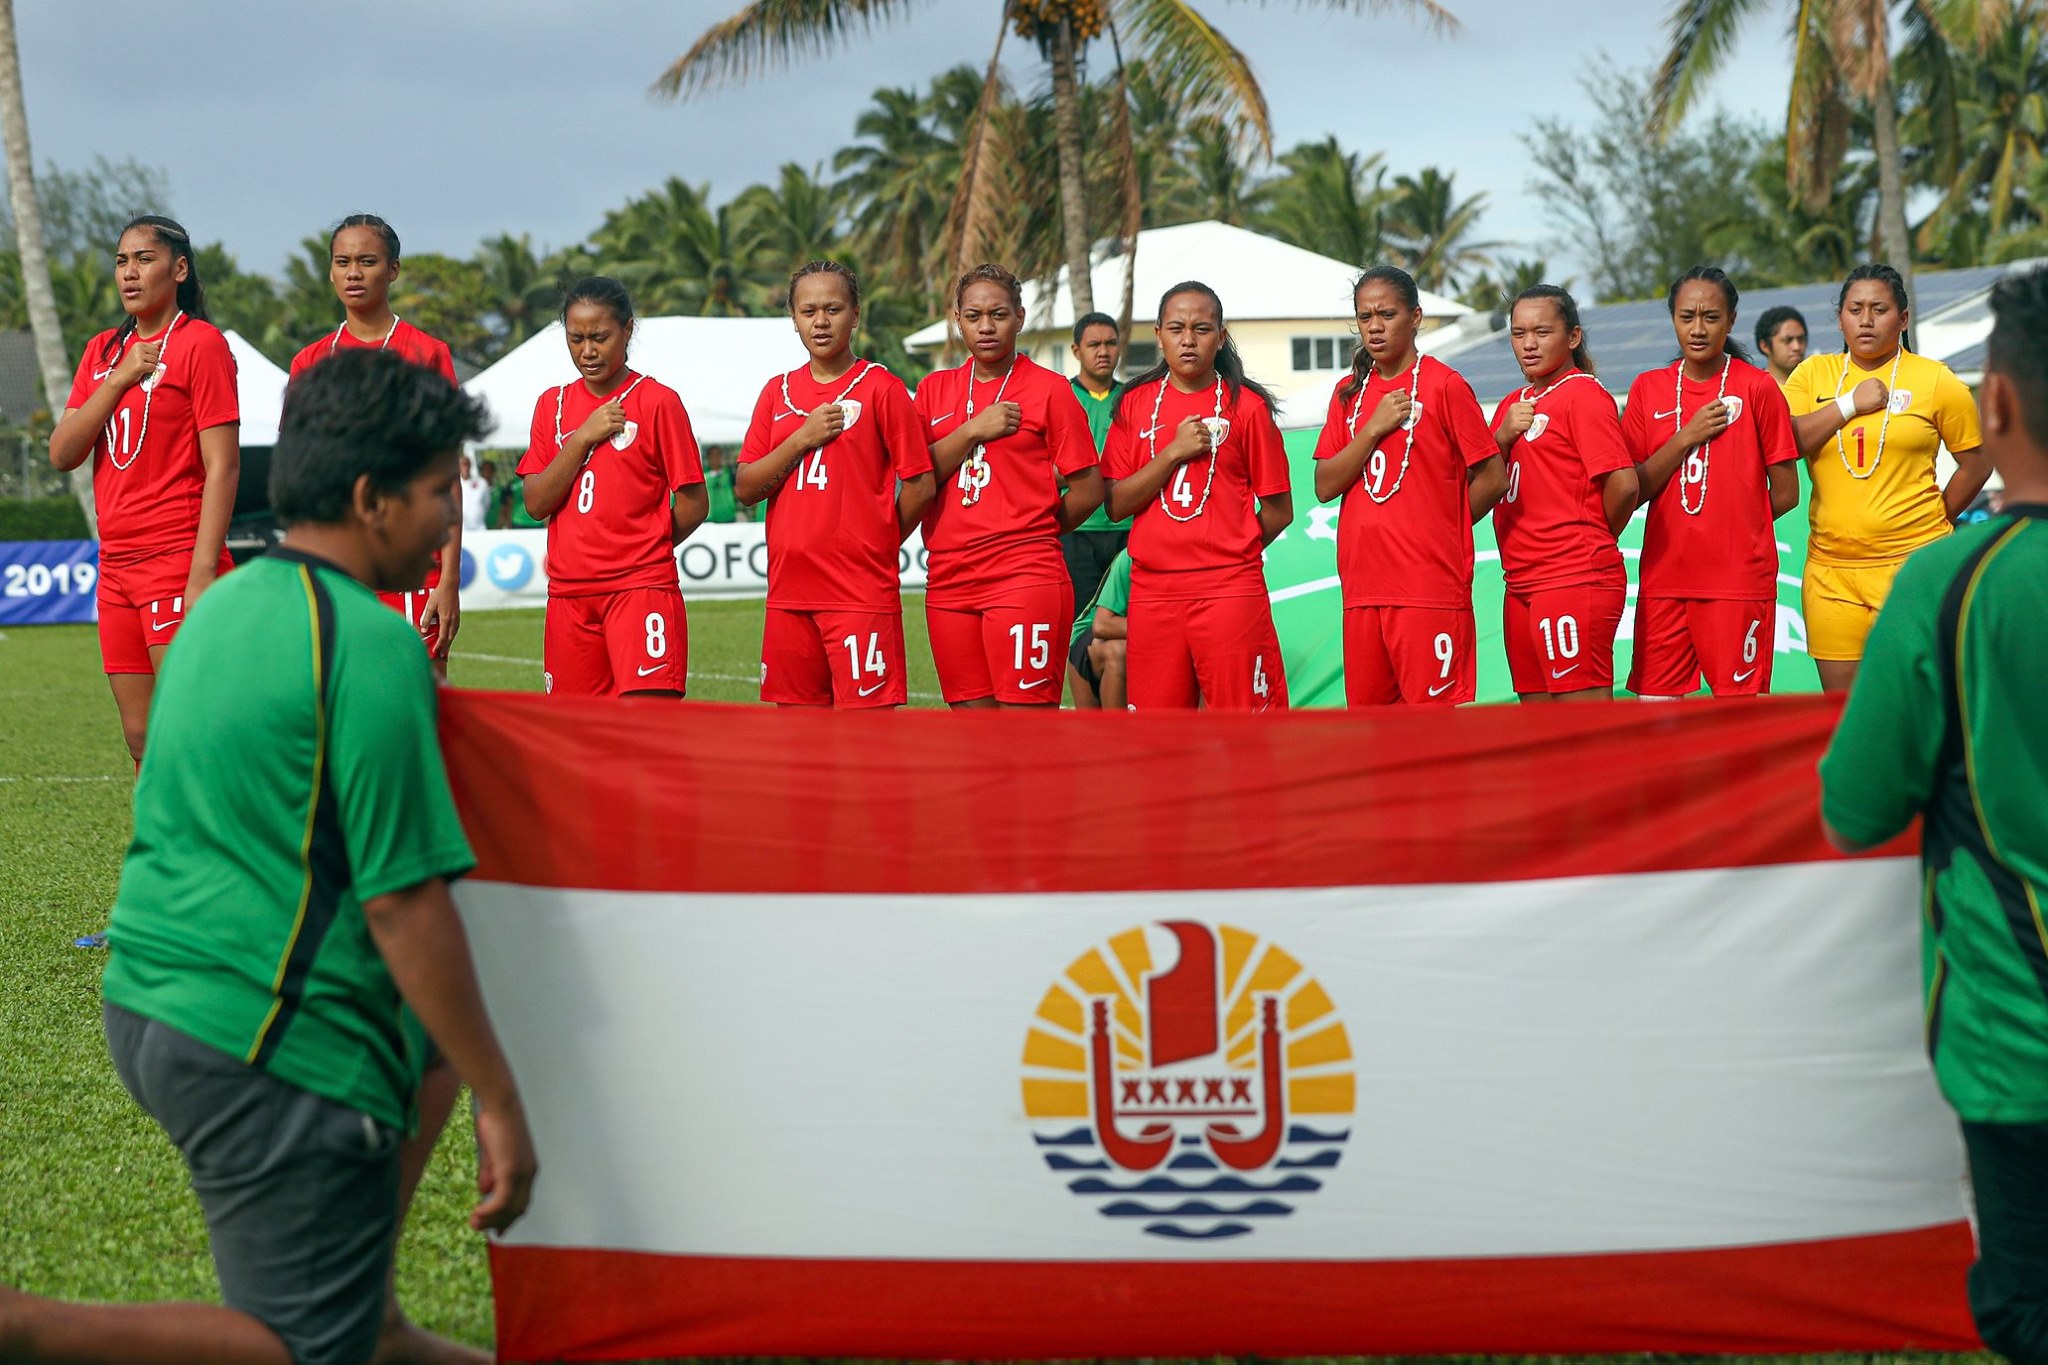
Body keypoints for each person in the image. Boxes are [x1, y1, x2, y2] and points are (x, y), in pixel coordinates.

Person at [0, 351, 536, 1365]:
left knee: (355, 1315)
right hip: (251, 1033)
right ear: (372, 499)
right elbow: (405, 908)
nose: (447, 517)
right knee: (301, 1350)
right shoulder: (367, 648)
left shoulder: (223, 610)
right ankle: (24, 1329)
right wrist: (502, 1099)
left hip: (149, 997)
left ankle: (360, 1307)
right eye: (436, 490)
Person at [1817, 263, 2048, 1365]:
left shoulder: (1949, 583)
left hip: (2019, 1035)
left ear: (1991, 403)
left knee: (2028, 1307)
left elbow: (1854, 806)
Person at [48, 215, 239, 766]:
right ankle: (160, 853)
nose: (129, 273)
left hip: (178, 559)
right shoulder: (103, 352)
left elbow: (223, 467)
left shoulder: (201, 344)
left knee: (190, 729)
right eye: (121, 261)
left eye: (144, 259)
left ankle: (221, 850)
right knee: (141, 737)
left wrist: (204, 572)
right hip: (117, 570)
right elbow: (63, 454)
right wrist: (119, 377)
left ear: (179, 269)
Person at [736, 260, 936, 708]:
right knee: (799, 741)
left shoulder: (882, 388)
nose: (821, 322)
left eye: (833, 309)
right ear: (793, 319)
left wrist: (879, 541)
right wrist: (802, 437)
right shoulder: (776, 392)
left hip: (858, 593)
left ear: (856, 314)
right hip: (788, 593)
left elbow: (920, 485)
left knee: (867, 737)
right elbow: (746, 487)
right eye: (808, 311)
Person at [1784, 264, 1991, 692]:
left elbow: (1978, 461)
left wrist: (1937, 522)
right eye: (1854, 309)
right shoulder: (1811, 375)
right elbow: (1785, 440)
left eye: (1879, 309)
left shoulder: (1936, 380)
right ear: (1839, 317)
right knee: (1844, 719)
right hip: (1832, 575)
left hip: (1915, 569)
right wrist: (1849, 405)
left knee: (1924, 710)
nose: (1865, 319)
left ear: (1903, 319)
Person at [1312, 266, 1506, 707]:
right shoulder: (1349, 393)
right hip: (1363, 590)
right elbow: (1324, 485)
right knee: (1374, 732)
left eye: (1387, 314)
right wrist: (1372, 430)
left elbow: (1493, 477)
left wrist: (1443, 526)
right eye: (1365, 317)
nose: (1375, 327)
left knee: (1431, 730)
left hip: (1427, 589)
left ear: (1415, 316)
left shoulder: (1445, 385)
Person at [915, 264, 1103, 708]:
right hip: (948, 580)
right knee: (973, 734)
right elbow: (919, 480)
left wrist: (1034, 530)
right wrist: (971, 432)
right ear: (957, 319)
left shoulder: (1050, 390)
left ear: (1019, 317)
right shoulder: (932, 391)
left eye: (998, 315)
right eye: (974, 315)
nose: (986, 327)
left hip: (1024, 575)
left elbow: (1089, 489)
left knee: (1024, 731)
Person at [1102, 281, 1293, 711]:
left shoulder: (1247, 408)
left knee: (1246, 726)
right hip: (1154, 593)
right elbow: (1115, 504)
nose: (1188, 339)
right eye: (1176, 328)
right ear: (1158, 335)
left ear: (1221, 337)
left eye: (1202, 328)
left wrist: (1230, 548)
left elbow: (1280, 510)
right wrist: (1172, 453)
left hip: (1229, 589)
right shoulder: (1134, 404)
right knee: (1160, 736)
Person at [290, 215, 465, 673]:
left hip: (411, 564)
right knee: (341, 704)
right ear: (329, 271)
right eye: (342, 262)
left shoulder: (427, 353)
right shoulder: (310, 362)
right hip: (337, 564)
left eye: (367, 261)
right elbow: (299, 476)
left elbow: (445, 475)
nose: (353, 273)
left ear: (393, 270)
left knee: (423, 710)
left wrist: (449, 579)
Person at [518, 277, 708, 699]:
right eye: (576, 339)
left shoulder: (658, 401)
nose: (588, 351)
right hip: (569, 597)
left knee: (646, 729)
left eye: (600, 337)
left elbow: (695, 503)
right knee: (580, 740)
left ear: (628, 330)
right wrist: (584, 436)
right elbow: (535, 502)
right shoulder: (553, 405)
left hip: (640, 592)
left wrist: (644, 550)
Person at [1622, 267, 1801, 699]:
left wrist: (1736, 525)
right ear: (1673, 319)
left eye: (1711, 317)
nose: (1697, 329)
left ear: (1732, 320)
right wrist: (1685, 438)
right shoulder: (1648, 388)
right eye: (1687, 317)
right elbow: (1634, 488)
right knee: (1656, 715)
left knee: (1738, 717)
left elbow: (1787, 493)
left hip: (1737, 584)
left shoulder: (1757, 388)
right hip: (1665, 581)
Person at [1489, 285, 1640, 702]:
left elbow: (1624, 484)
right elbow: (1479, 489)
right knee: (1543, 735)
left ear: (1572, 337)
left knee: (1582, 733)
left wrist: (1589, 538)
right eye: (1518, 334)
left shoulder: (1583, 395)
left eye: (1541, 332)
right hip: (1519, 583)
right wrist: (1501, 437)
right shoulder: (1510, 406)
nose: (1529, 344)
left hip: (1572, 577)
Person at [1059, 311, 1129, 607]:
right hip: (1076, 529)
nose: (1103, 351)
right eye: (1094, 344)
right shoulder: (1060, 396)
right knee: (1078, 626)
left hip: (1127, 527)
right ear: (1076, 350)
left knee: (1128, 625)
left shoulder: (1134, 398)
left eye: (1111, 343)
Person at [1066, 547, 1130, 710]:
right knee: (1118, 653)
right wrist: (1162, 629)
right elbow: (1102, 625)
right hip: (1091, 644)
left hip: (1155, 645)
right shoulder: (1131, 557)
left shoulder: (1199, 558)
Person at [1754, 305, 1809, 389]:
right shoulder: (1754, 390)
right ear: (1765, 346)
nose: (1796, 347)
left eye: (1800, 339)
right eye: (1788, 340)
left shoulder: (1819, 385)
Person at [459, 454, 489, 531]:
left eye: (467, 465)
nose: (465, 468)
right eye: (463, 465)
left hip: (479, 526)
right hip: (462, 527)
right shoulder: (455, 484)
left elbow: (487, 503)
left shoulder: (481, 483)